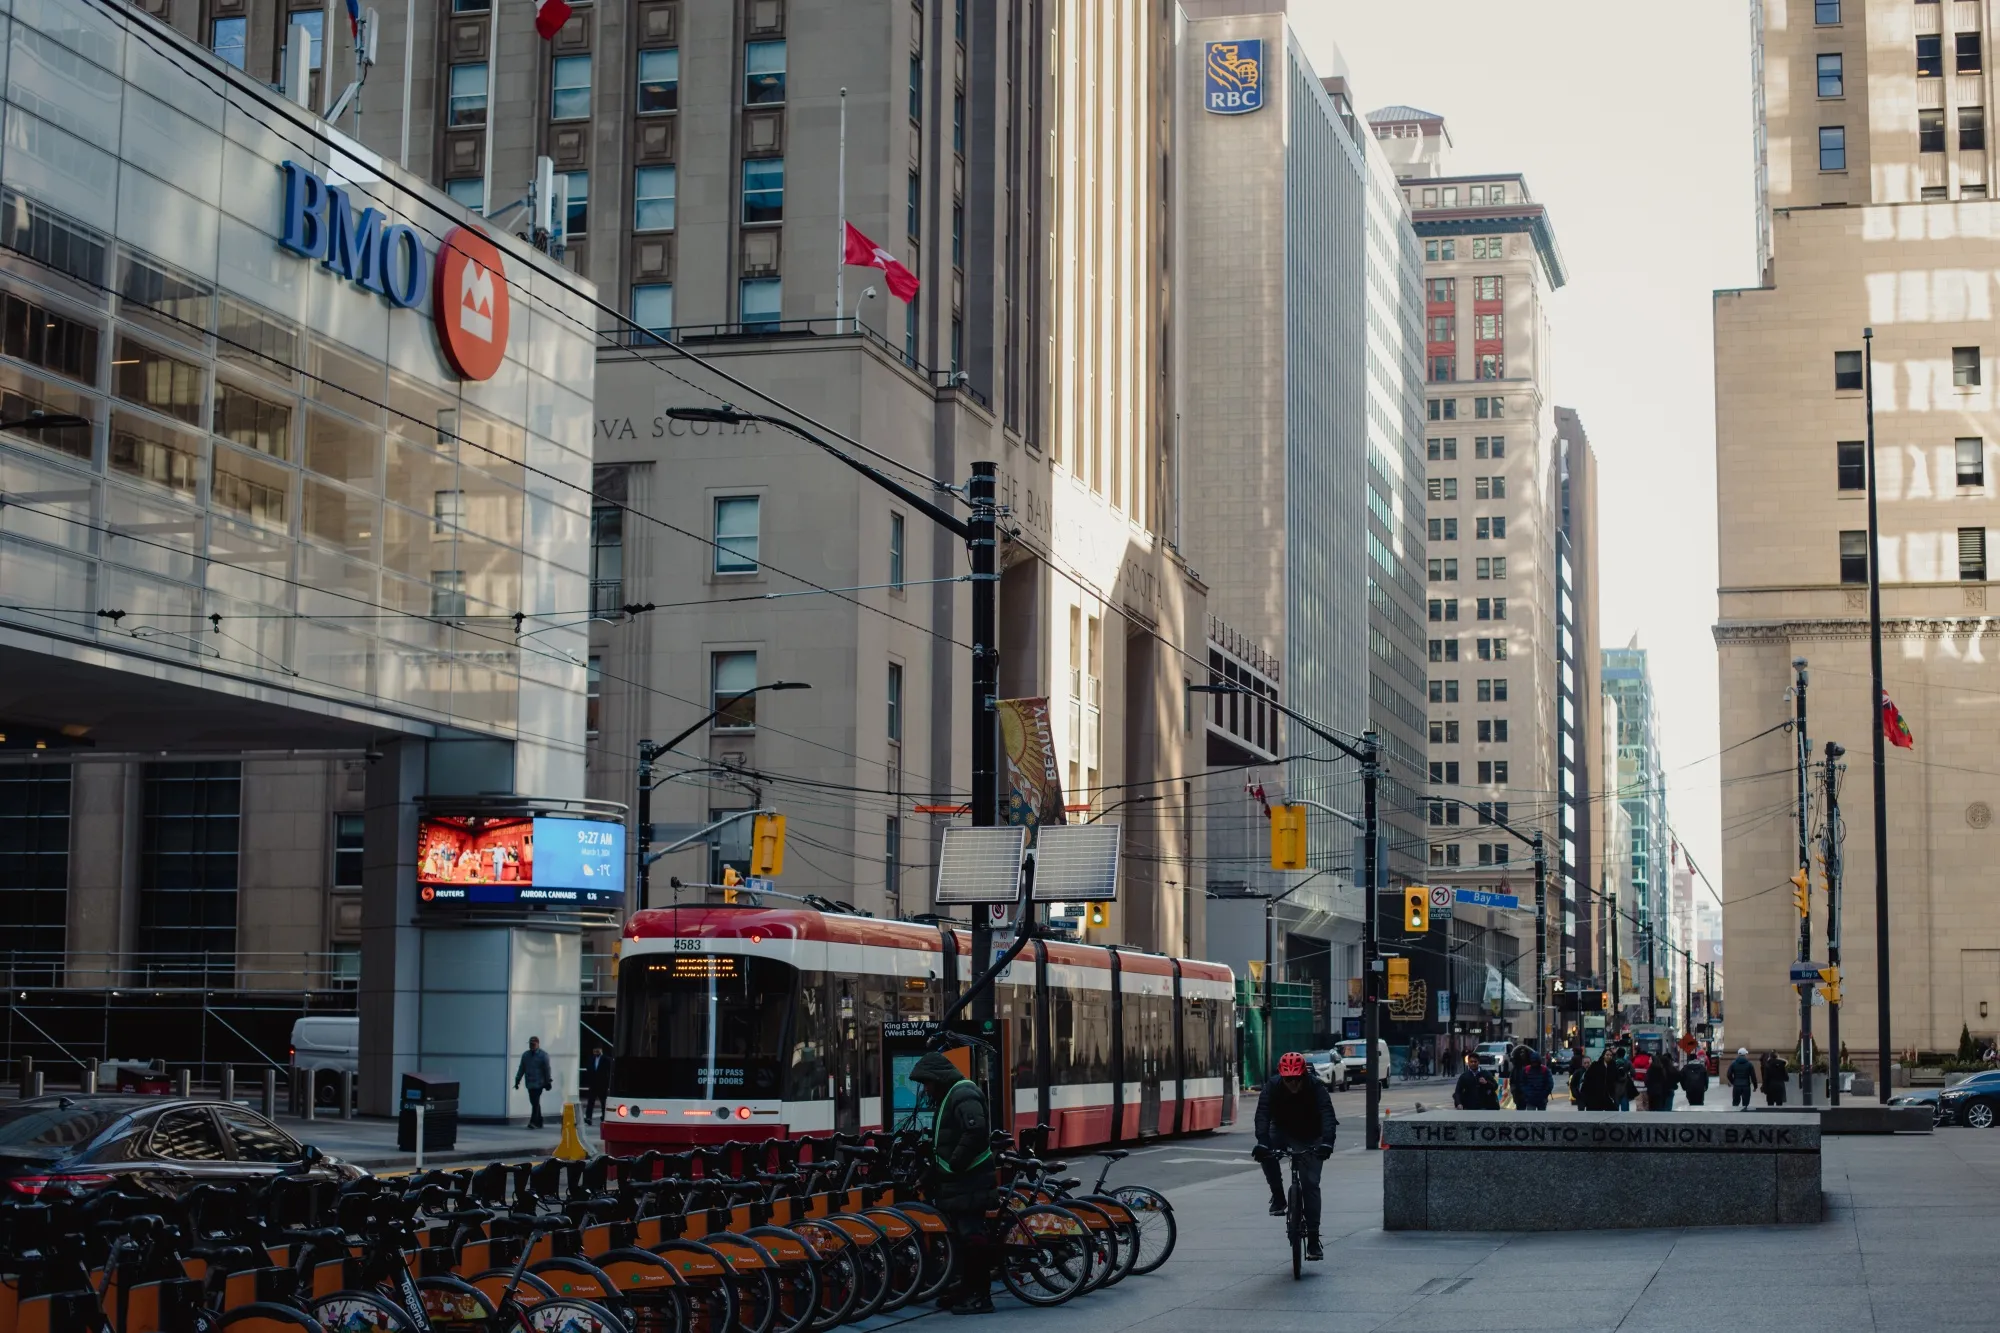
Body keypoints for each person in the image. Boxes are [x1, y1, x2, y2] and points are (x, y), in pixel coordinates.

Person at [908, 1052, 1000, 1314]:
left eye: (927, 1083)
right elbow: (944, 1148)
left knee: (973, 1239)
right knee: (963, 1241)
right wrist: (928, 1177)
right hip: (960, 1183)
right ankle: (965, 1290)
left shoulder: (963, 1093)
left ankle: (980, 1296)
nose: (925, 1089)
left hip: (969, 1182)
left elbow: (975, 1130)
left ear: (938, 1078)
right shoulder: (952, 1096)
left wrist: (957, 1164)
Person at [1253, 1052, 1337, 1262]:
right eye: (1287, 1079)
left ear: (1303, 1075)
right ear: (1282, 1076)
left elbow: (1327, 1114)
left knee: (1310, 1183)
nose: (1292, 1084)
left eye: (1296, 1079)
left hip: (1312, 1134)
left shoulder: (1316, 1087)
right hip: (1282, 1129)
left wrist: (1327, 1142)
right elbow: (1262, 1114)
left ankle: (1313, 1240)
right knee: (1266, 1153)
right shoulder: (1272, 1087)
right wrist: (1262, 1141)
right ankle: (1279, 1198)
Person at [514, 1035, 552, 1129]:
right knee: (534, 1102)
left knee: (535, 1102)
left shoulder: (543, 1055)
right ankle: (539, 1120)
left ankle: (533, 1122)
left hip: (539, 1083)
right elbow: (521, 1068)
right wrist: (517, 1080)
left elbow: (547, 1069)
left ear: (538, 1044)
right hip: (530, 1083)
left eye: (533, 1044)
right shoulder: (525, 1055)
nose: (531, 1046)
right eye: (530, 1044)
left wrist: (548, 1082)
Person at [581, 1045, 610, 1125]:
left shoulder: (606, 1059)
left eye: (598, 1050)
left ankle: (604, 1116)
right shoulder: (591, 1059)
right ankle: (588, 1117)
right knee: (590, 1101)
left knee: (603, 1102)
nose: (596, 1052)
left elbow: (609, 1071)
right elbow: (588, 1069)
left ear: (601, 1050)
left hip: (602, 1084)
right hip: (593, 1084)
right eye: (595, 1050)